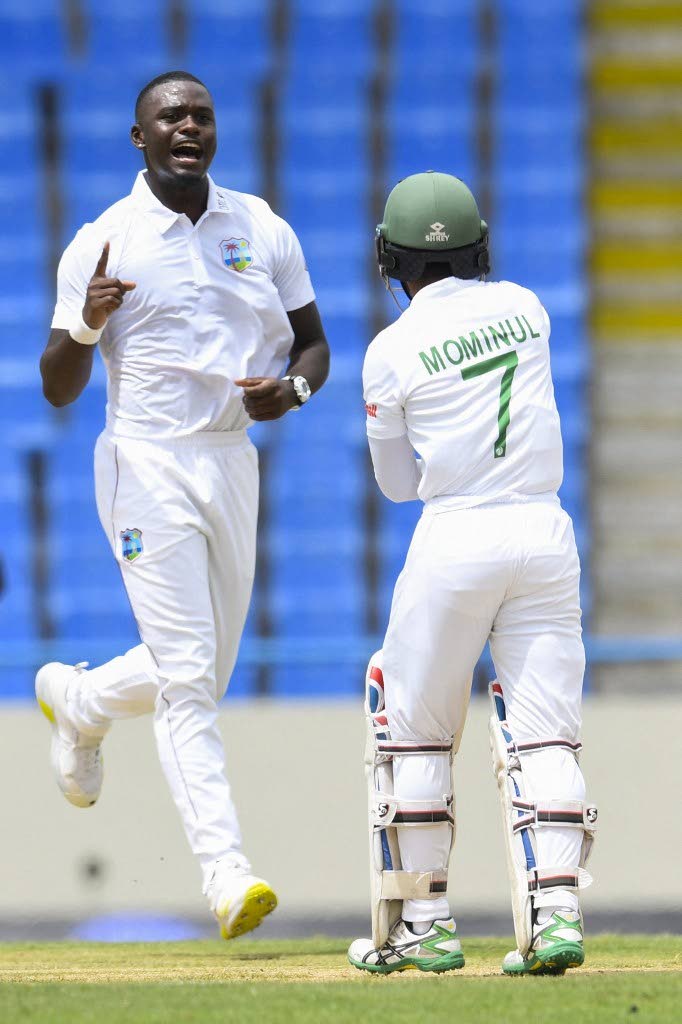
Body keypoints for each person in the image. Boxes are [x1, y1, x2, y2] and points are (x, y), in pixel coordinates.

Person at [37, 71, 329, 940]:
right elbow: (55, 385)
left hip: (231, 461)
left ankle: (81, 703)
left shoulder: (261, 225)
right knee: (191, 682)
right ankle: (227, 874)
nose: (187, 127)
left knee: (202, 669)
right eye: (170, 117)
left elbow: (314, 344)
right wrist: (87, 325)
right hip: (145, 464)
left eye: (201, 114)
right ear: (140, 138)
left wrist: (295, 394)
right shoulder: (106, 240)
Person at [348, 172, 596, 976]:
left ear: (387, 257)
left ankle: (425, 923)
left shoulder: (387, 353)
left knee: (414, 724)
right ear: (480, 246)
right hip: (544, 529)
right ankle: (557, 915)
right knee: (545, 726)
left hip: (455, 533)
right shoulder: (528, 309)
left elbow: (394, 486)